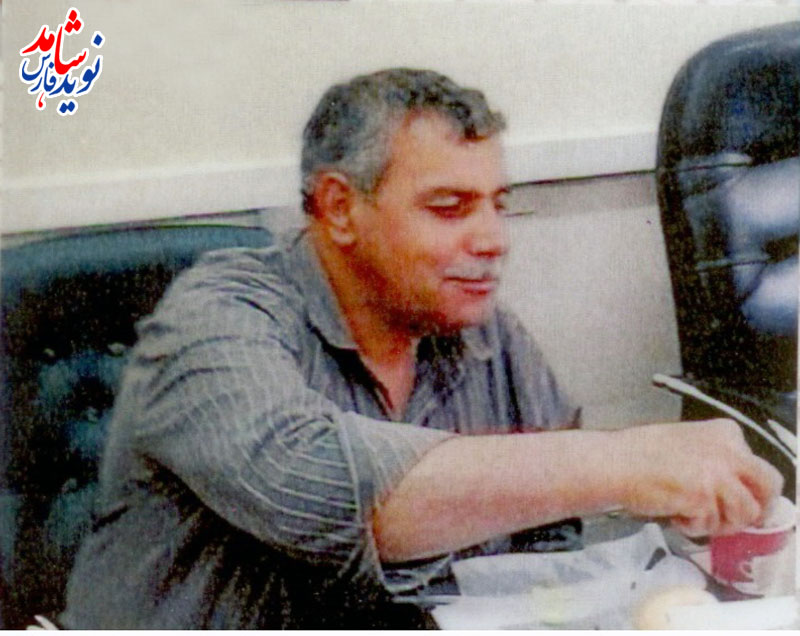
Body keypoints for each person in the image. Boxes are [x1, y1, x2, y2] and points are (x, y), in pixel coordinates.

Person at [60, 68, 782, 629]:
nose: (493, 240)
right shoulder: (215, 317)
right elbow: (335, 495)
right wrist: (626, 463)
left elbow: (545, 552)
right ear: (340, 208)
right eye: (449, 207)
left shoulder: (483, 333)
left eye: (499, 205)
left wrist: (682, 512)